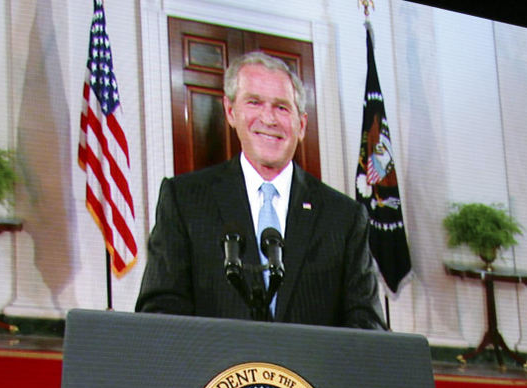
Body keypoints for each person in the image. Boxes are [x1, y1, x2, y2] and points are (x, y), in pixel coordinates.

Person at [135, 51, 385, 329]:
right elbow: (159, 312)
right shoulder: (184, 200)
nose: (268, 119)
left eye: (281, 107)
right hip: (215, 371)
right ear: (231, 111)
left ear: (301, 125)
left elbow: (367, 327)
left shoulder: (344, 217)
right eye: (254, 102)